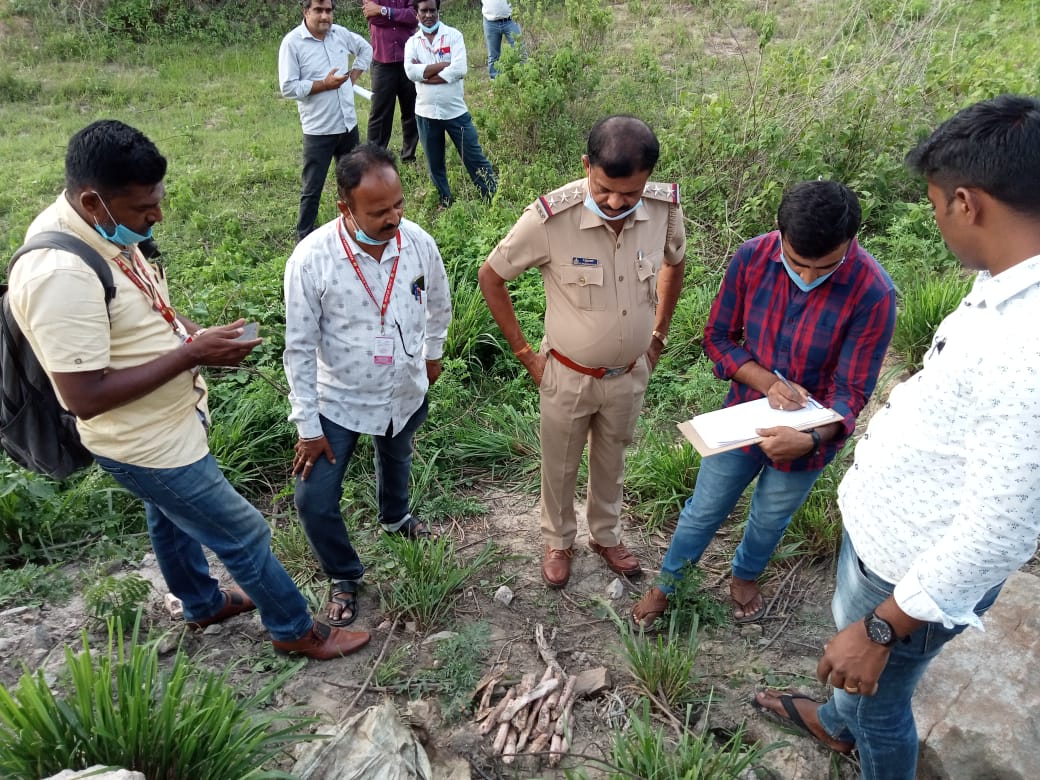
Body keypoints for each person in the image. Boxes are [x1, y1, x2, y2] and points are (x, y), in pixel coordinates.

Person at [7, 120, 370, 660]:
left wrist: (192, 340)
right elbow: (83, 396)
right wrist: (190, 354)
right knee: (244, 531)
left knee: (169, 517)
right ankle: (295, 629)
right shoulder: (58, 274)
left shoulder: (96, 229)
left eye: (157, 200)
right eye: (141, 208)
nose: (155, 216)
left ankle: (200, 602)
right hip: (143, 444)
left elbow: (128, 322)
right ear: (91, 201)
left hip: (168, 424)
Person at [754, 94, 1040, 779]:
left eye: (937, 201)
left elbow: (1006, 526)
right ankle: (832, 720)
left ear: (967, 202)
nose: (938, 214)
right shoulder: (1006, 287)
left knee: (879, 700)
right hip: (894, 541)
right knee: (854, 685)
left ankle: (862, 742)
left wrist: (882, 627)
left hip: (909, 574)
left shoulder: (1025, 345)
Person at [631, 181, 896, 628]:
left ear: (851, 241)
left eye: (825, 267)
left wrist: (810, 439)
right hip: (742, 415)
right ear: (779, 234)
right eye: (797, 264)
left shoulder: (873, 293)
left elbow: (851, 393)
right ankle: (669, 582)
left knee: (772, 515)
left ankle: (746, 575)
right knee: (705, 507)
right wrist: (767, 381)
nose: (809, 277)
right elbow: (717, 338)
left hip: (811, 436)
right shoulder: (752, 258)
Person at [478, 115, 685, 588]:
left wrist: (658, 337)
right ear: (586, 165)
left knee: (614, 457)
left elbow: (675, 261)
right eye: (605, 188)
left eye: (629, 194)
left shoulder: (664, 210)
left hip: (629, 373)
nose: (616, 202)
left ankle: (606, 535)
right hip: (566, 373)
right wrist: (527, 354)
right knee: (560, 461)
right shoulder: (550, 219)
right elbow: (491, 277)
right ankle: (558, 540)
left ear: (648, 179)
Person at [284, 143, 451, 627]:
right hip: (338, 401)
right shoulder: (311, 259)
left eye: (399, 204)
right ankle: (343, 573)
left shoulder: (417, 242)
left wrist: (432, 355)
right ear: (345, 208)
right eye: (379, 212)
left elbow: (438, 302)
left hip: (403, 389)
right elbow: (298, 348)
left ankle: (396, 517)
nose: (394, 218)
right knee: (313, 499)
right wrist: (307, 425)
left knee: (397, 455)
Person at [279, 0, 373, 241]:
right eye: (318, 10)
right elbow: (288, 87)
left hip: (347, 125)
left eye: (328, 10)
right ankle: (304, 239)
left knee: (353, 182)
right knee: (312, 188)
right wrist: (323, 85)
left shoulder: (339, 34)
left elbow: (366, 49)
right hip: (319, 130)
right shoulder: (293, 43)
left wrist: (354, 75)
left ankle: (356, 230)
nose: (325, 16)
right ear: (305, 11)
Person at [404, 0, 496, 208]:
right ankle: (445, 201)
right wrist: (441, 66)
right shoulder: (412, 43)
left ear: (438, 11)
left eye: (432, 10)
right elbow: (411, 72)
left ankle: (492, 196)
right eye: (424, 11)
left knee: (474, 157)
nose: (428, 15)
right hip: (426, 113)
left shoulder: (454, 36)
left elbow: (459, 69)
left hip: (455, 111)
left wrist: (425, 73)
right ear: (416, 14)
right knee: (435, 163)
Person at [362, 0, 419, 163]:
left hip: (408, 58)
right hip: (383, 60)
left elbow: (414, 17)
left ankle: (408, 157)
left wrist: (382, 10)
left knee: (411, 111)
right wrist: (398, 16)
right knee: (380, 114)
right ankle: (374, 161)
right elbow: (373, 19)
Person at [481, 0, 522, 80]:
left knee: (520, 51)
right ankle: (496, 82)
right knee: (493, 56)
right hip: (490, 22)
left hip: (511, 19)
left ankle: (523, 79)